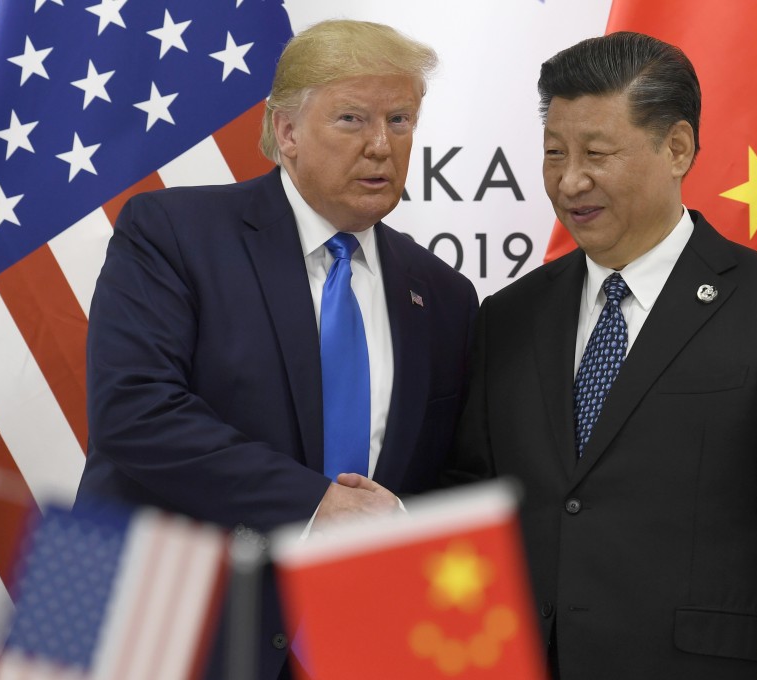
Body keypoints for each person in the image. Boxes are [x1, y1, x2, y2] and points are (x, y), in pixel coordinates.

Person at [446, 31, 757, 679]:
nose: (569, 181)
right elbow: (474, 514)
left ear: (677, 148)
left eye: (596, 153)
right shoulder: (509, 317)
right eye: (554, 153)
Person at [76, 19, 478, 680]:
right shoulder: (173, 231)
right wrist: (318, 506)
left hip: (355, 642)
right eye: (353, 119)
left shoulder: (444, 295)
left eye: (401, 119)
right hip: (162, 628)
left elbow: (450, 473)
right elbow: (132, 412)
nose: (382, 146)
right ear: (286, 131)